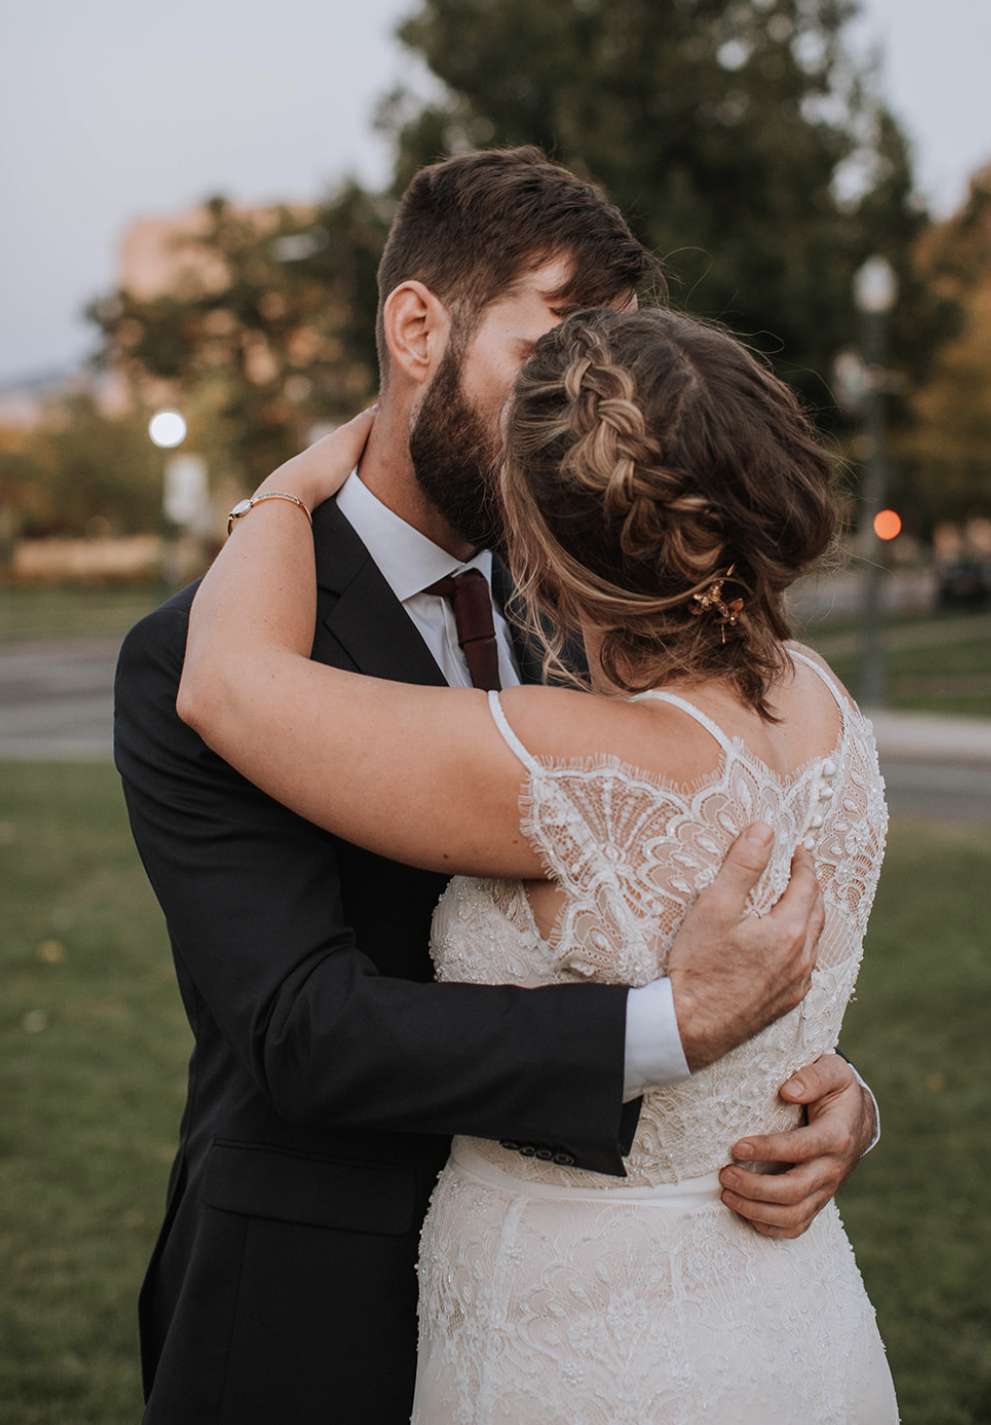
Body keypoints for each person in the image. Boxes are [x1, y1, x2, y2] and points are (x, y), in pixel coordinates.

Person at [115, 147, 877, 1425]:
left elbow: (710, 908)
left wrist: (823, 1093)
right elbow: (303, 1030)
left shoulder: (608, 619)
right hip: (317, 1298)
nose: (588, 407)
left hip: (606, 1316)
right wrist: (669, 1034)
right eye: (560, 350)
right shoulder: (195, 653)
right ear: (417, 325)